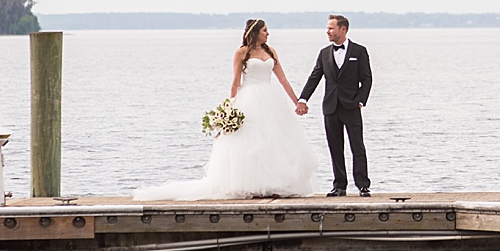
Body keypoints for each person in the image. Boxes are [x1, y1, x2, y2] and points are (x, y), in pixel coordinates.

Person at [134, 19, 318, 200]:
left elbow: (283, 79)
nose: (268, 33)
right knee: (251, 143)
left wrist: (297, 102)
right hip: (249, 99)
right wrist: (230, 109)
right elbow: (235, 83)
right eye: (265, 31)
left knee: (275, 141)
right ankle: (254, 185)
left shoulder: (271, 51)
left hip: (272, 99)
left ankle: (275, 184)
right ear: (254, 33)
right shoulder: (241, 53)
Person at [297, 15, 373, 197]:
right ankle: (339, 186)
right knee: (334, 147)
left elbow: (367, 79)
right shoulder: (324, 53)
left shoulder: (359, 51)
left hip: (352, 106)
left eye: (331, 28)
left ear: (343, 29)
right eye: (328, 28)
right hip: (330, 107)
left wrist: (361, 101)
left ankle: (363, 184)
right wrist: (303, 99)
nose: (327, 31)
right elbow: (314, 77)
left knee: (357, 146)